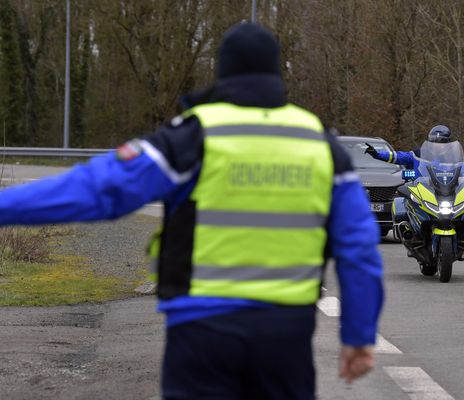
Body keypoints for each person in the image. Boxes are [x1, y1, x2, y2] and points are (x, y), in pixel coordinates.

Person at [0, 23, 384, 400]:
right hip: (285, 337)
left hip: (202, 332)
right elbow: (359, 248)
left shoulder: (194, 135)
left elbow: (97, 189)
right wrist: (358, 335)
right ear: (276, 73)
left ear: (223, 72)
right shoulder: (319, 142)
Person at [364, 124, 453, 172]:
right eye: (434, 141)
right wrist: (378, 154)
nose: (437, 145)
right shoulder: (418, 154)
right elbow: (398, 156)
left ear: (447, 143)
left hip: (445, 194)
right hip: (420, 192)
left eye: (441, 142)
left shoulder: (452, 158)